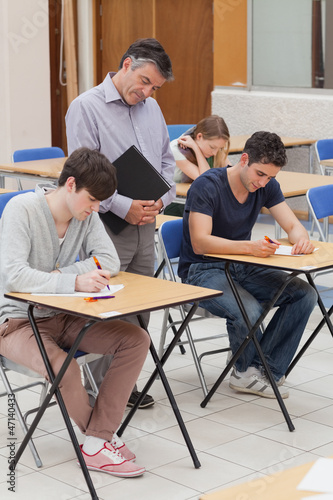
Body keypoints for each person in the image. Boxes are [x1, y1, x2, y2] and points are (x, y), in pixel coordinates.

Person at [0, 148, 150, 477]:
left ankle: (96, 441)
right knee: (67, 369)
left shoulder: (86, 215)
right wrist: (74, 280)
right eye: (92, 201)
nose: (95, 209)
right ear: (70, 185)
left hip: (65, 314)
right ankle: (99, 442)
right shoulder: (21, 210)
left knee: (136, 339)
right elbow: (15, 277)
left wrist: (62, 279)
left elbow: (108, 261)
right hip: (16, 323)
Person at [65, 38, 176, 409]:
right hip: (105, 226)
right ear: (126, 64)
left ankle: (122, 383)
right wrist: (125, 205)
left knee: (139, 307)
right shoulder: (86, 107)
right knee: (106, 307)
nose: (146, 92)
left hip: (146, 224)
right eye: (144, 81)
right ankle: (100, 390)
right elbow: (83, 174)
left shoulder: (152, 108)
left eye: (154, 87)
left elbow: (166, 162)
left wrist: (161, 199)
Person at [178, 131, 318, 399]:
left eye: (270, 178)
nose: (263, 183)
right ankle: (244, 372)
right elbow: (200, 243)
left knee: (304, 294)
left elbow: (291, 224)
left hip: (240, 265)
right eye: (260, 174)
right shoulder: (207, 185)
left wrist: (301, 239)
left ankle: (265, 369)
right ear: (243, 160)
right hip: (202, 270)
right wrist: (250, 248)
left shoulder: (266, 185)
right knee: (250, 310)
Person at [165, 115, 231, 216]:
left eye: (219, 148)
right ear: (199, 136)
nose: (214, 153)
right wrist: (196, 149)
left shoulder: (214, 149)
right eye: (212, 147)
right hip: (176, 203)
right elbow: (206, 179)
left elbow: (231, 174)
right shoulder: (176, 149)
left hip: (201, 200)